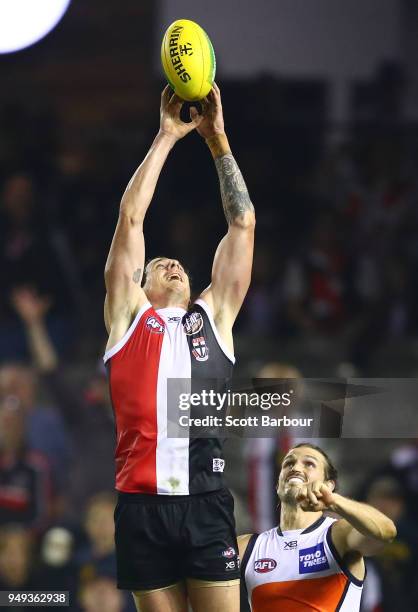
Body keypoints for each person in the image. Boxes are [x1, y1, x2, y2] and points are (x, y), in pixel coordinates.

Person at [103, 83, 255, 612]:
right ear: (138, 284)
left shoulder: (213, 316)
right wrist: (166, 137)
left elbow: (242, 223)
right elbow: (131, 220)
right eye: (157, 264)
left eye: (180, 265)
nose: (172, 264)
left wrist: (218, 142)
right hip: (141, 507)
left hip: (205, 503)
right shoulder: (127, 317)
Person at [239, 443, 396, 612]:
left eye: (309, 463)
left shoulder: (337, 535)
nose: (296, 468)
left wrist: (334, 501)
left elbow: (386, 532)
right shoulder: (246, 547)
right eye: (288, 463)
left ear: (329, 485)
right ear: (277, 486)